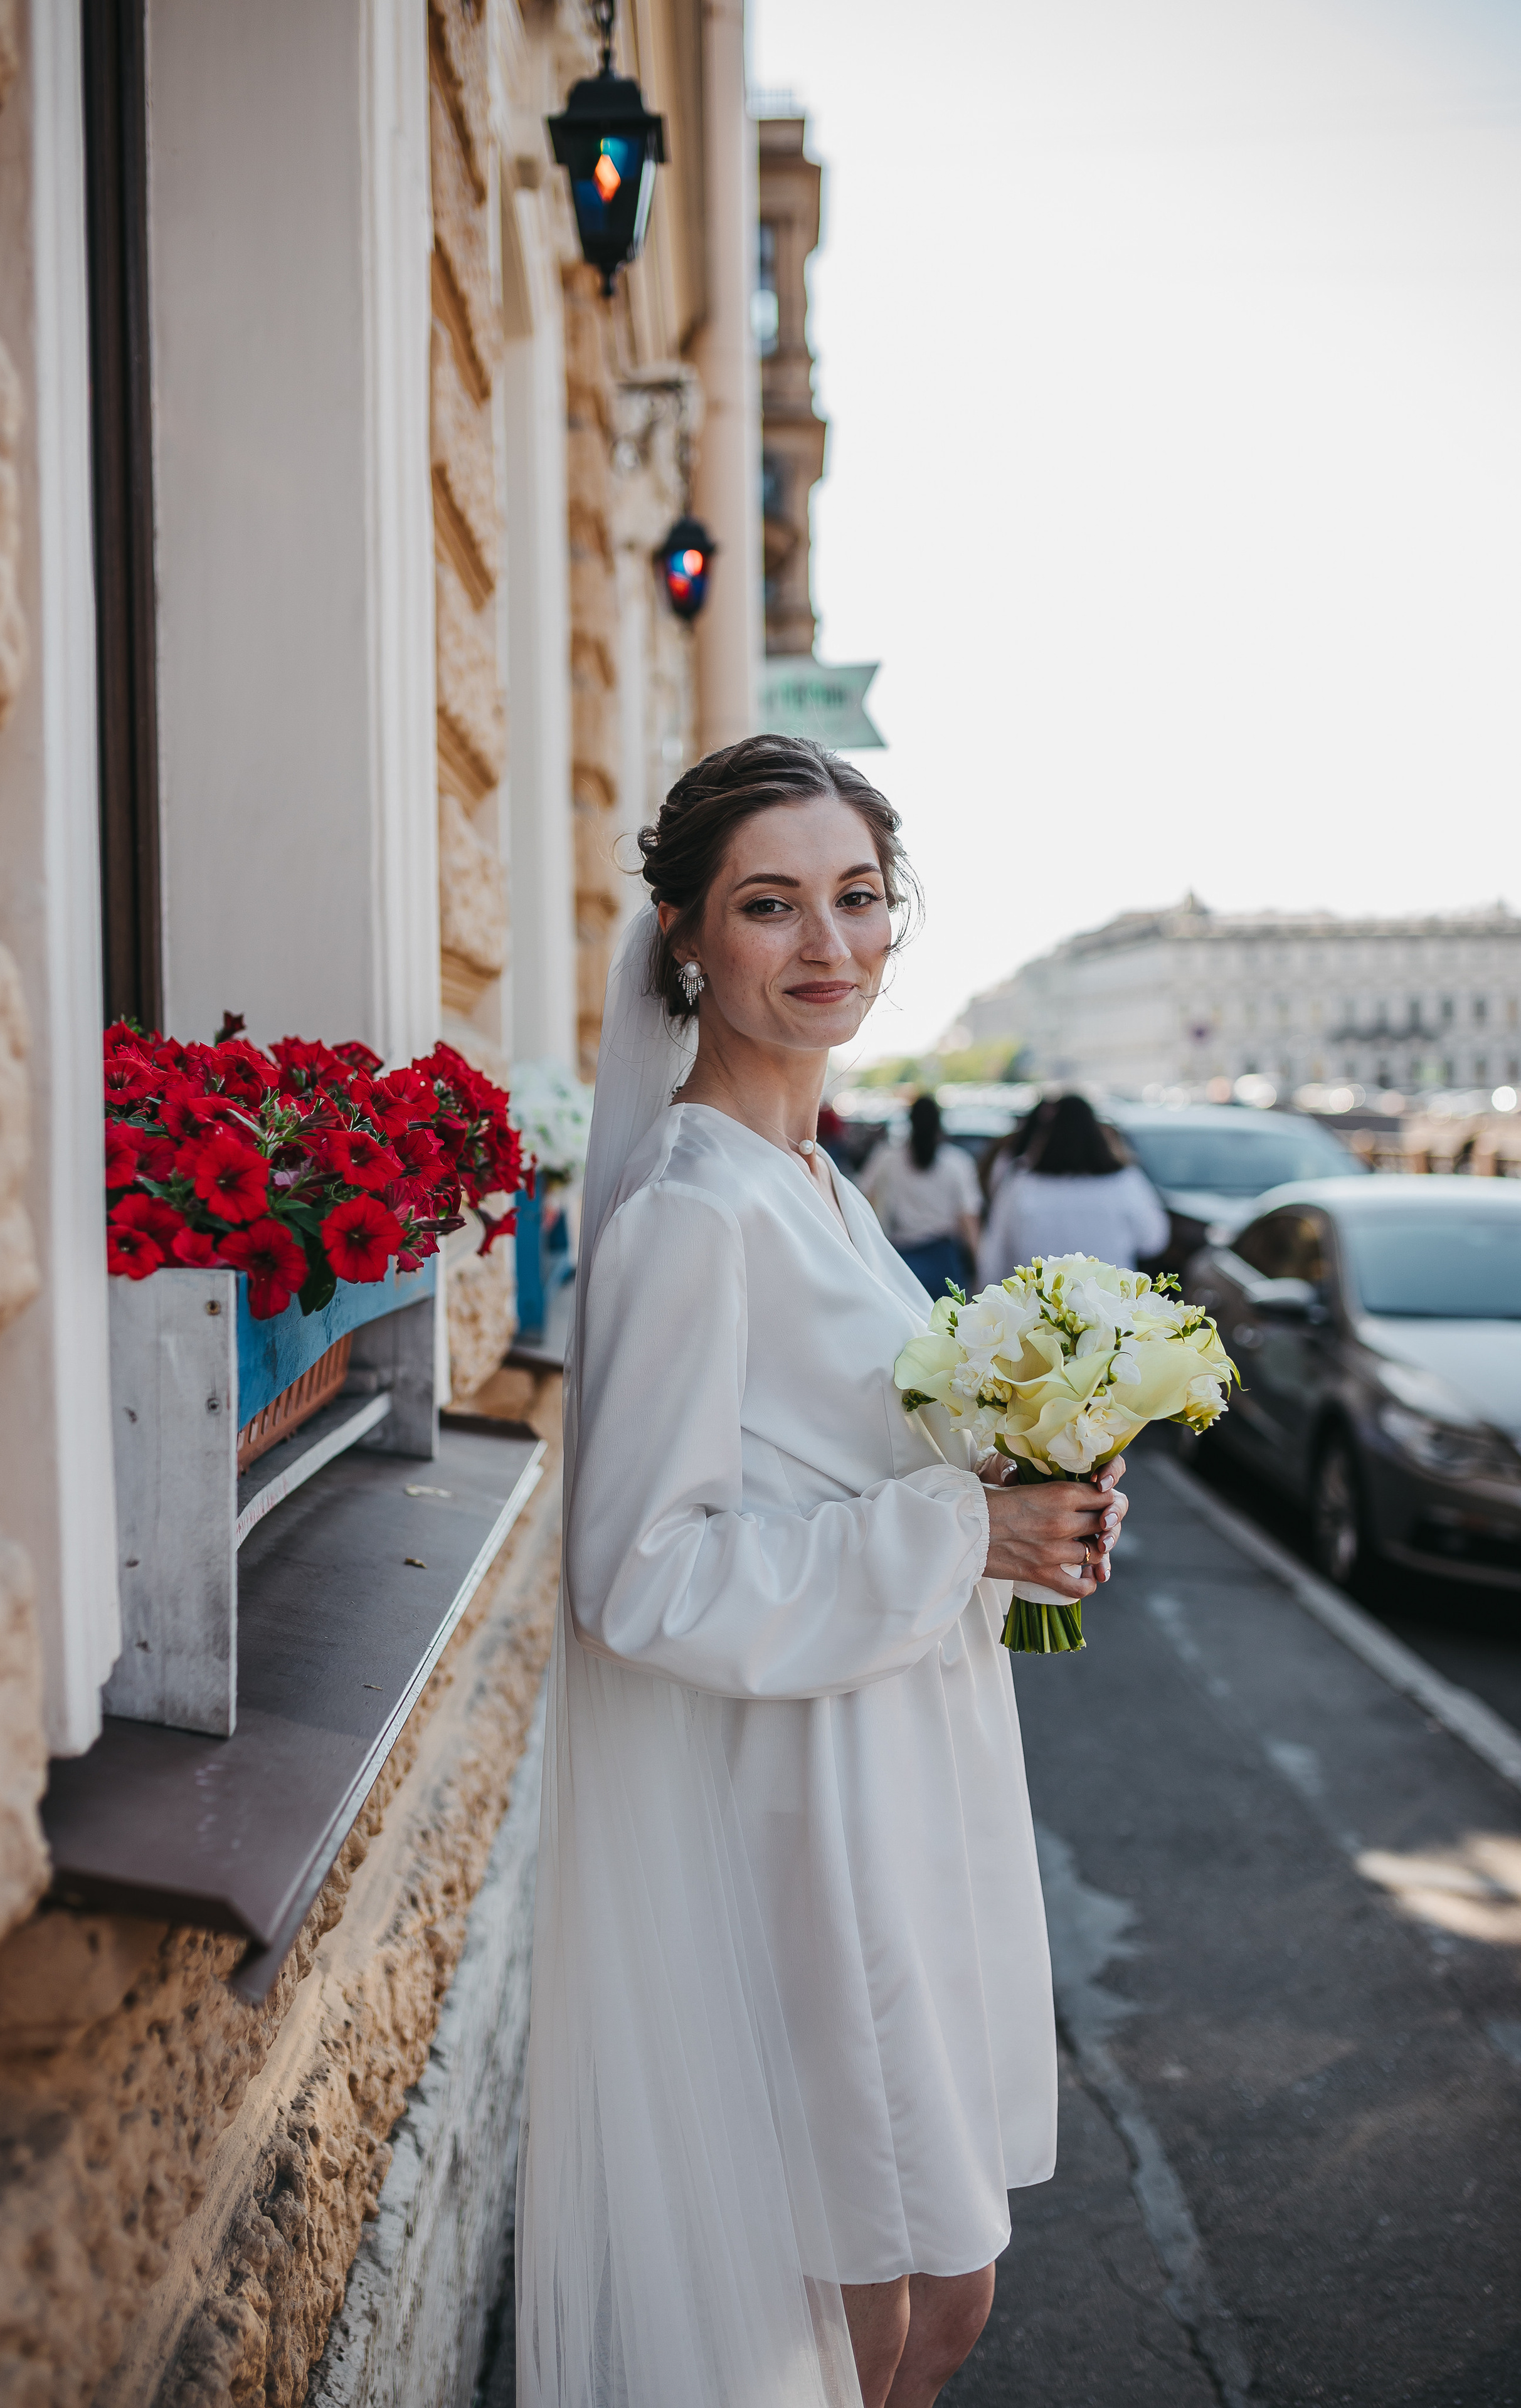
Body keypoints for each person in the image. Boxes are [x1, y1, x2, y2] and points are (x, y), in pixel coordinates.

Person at [518, 736, 1128, 2408]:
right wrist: (956, 1534)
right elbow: (637, 1576)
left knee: (937, 2289)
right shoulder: (690, 1214)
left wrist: (1026, 1515)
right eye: (771, 906)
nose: (828, 945)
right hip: (813, 1824)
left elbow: (845, 1466)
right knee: (891, 2307)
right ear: (685, 939)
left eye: (856, 898)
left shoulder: (819, 1184)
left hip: (917, 1779)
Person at [978, 1092, 1170, 1285]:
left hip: (1041, 1304)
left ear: (1047, 1135)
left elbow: (996, 1253)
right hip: (1109, 1301)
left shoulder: (1023, 1186)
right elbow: (1153, 1240)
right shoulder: (1124, 1183)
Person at [857, 1093, 980, 1297]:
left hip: (899, 1260)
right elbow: (968, 1220)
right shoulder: (958, 1162)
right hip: (943, 1262)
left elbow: (865, 1200)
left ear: (909, 1121)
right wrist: (978, 1265)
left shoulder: (886, 1157)